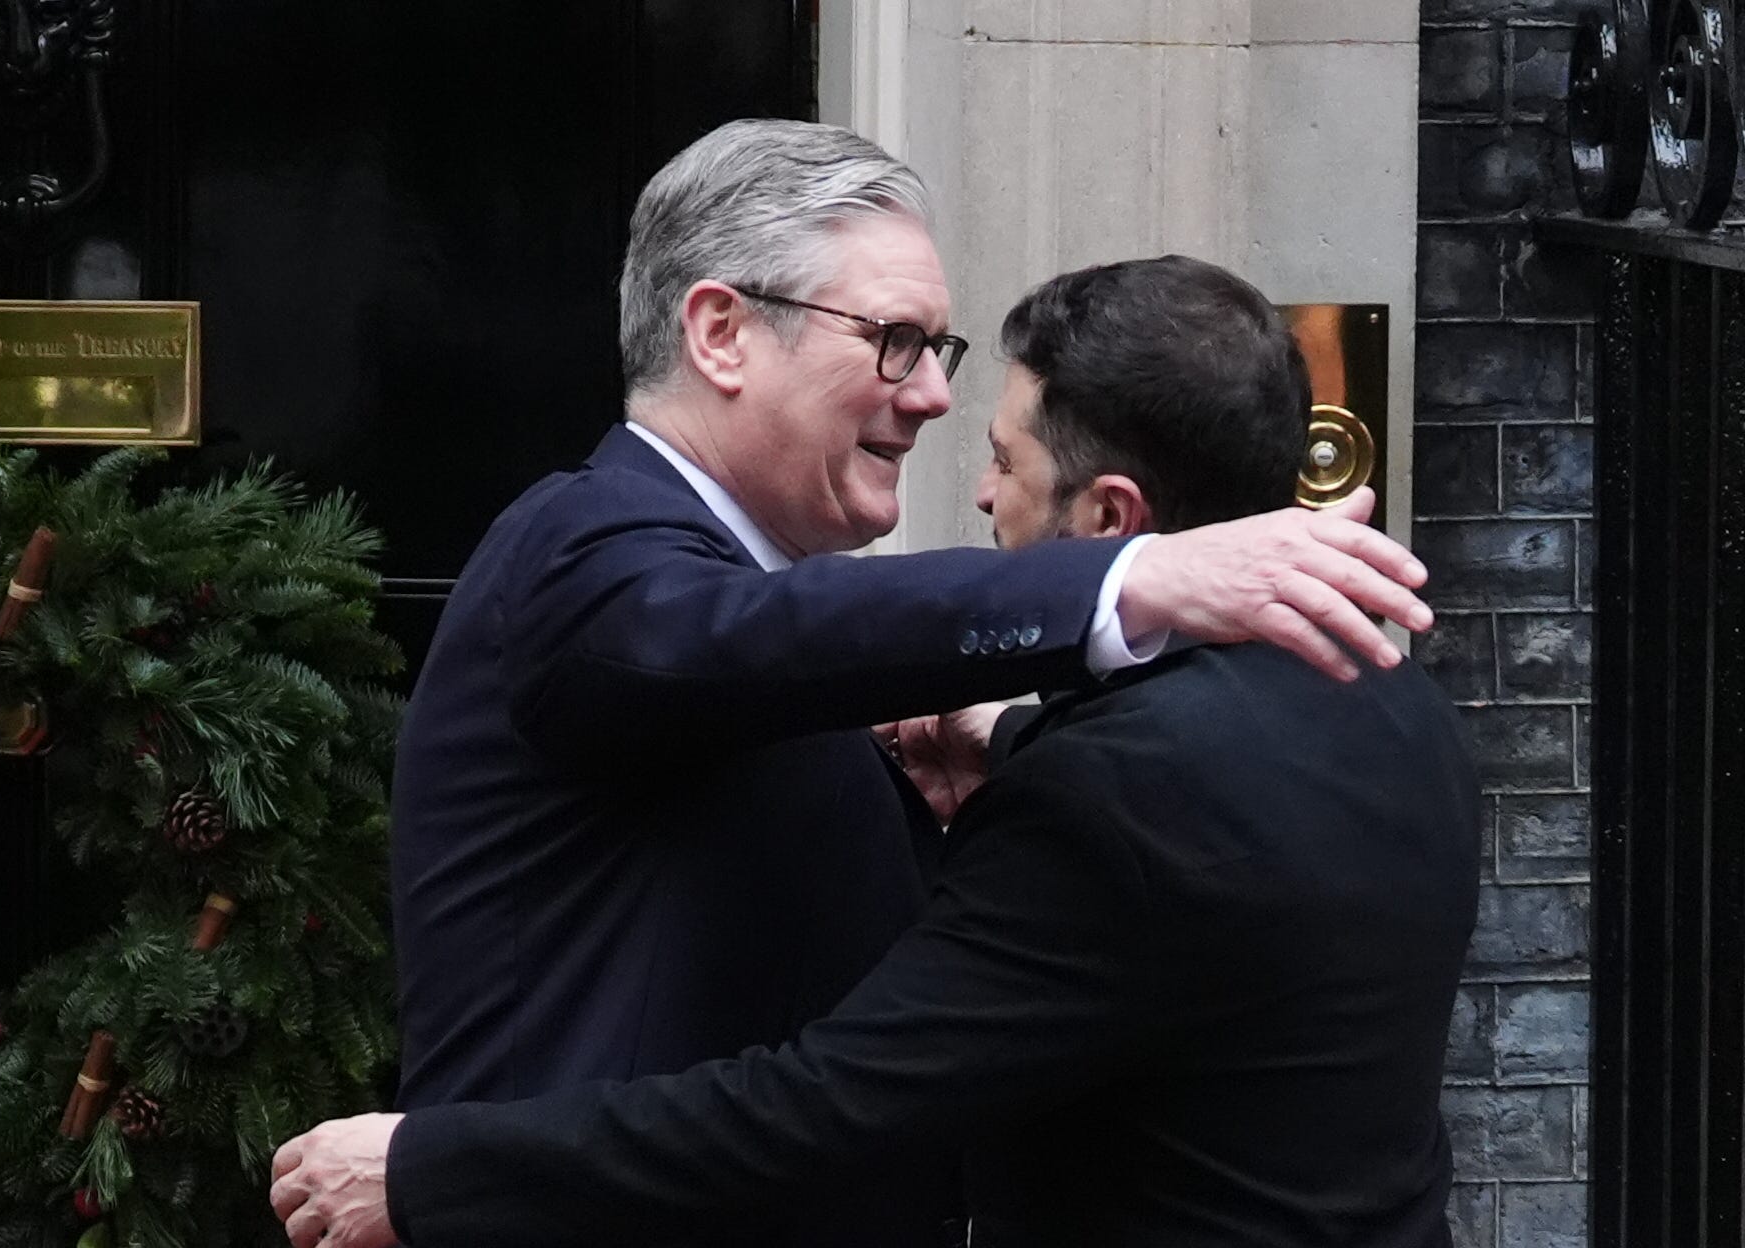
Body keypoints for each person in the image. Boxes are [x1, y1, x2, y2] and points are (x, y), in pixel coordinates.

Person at [280, 122, 1436, 1248]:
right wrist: (1135, 581)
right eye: (893, 340)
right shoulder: (581, 554)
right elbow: (731, 642)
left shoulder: (785, 615)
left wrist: (1003, 755)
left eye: (939, 349)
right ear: (723, 334)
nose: (932, 396)